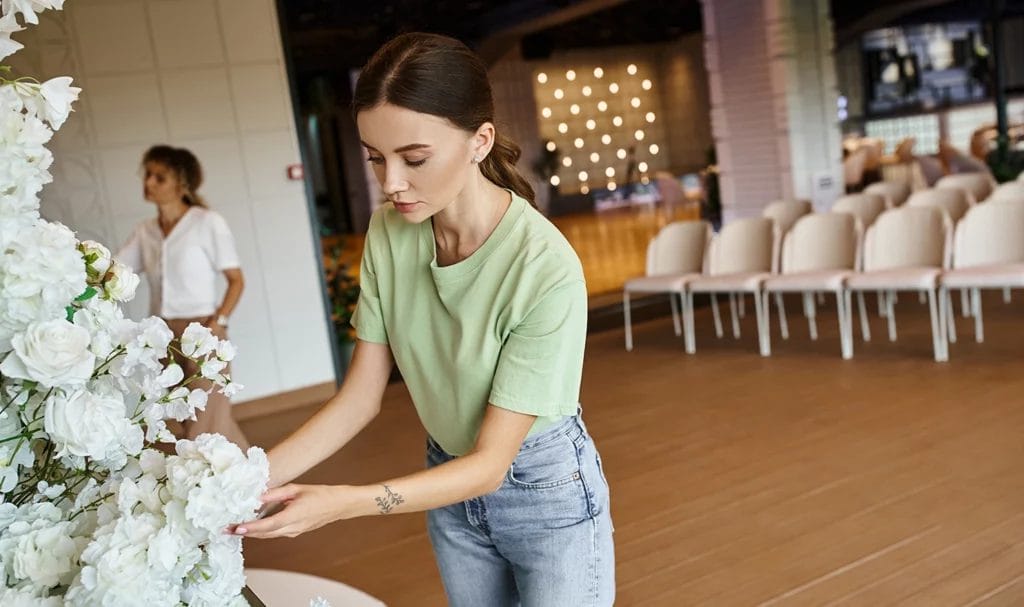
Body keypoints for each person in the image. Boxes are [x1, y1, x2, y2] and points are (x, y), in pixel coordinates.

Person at [234, 33, 615, 606]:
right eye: (375, 158)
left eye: (413, 159)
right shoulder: (390, 232)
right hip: (446, 478)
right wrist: (238, 482)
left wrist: (342, 503)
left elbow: (490, 465)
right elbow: (361, 397)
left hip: (545, 491)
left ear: (479, 141)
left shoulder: (545, 267)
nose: (389, 183)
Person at [116, 145, 249, 449]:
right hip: (162, 335)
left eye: (159, 177)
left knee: (205, 425)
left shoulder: (207, 222)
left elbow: (236, 280)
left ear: (182, 183)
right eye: (147, 174)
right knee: (186, 419)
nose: (148, 182)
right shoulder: (145, 231)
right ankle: (256, 484)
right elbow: (116, 271)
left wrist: (219, 322)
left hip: (203, 331)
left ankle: (236, 487)